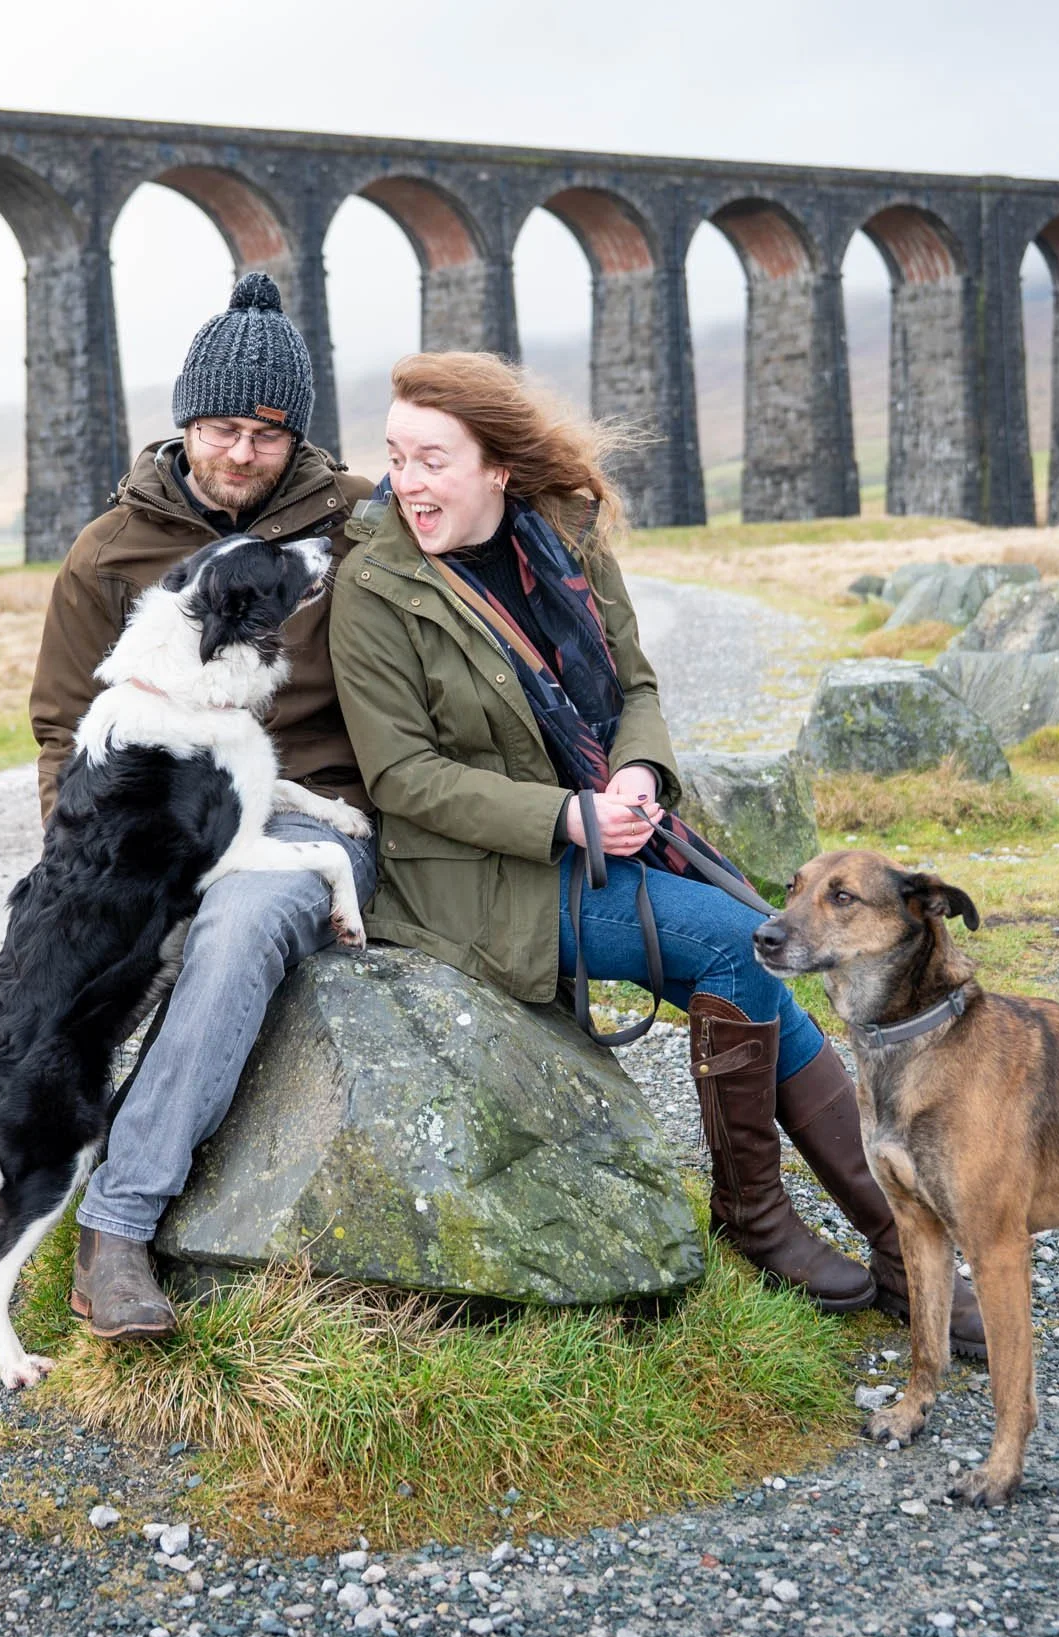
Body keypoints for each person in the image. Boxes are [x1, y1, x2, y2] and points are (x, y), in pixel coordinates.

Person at [327, 351, 983, 1349]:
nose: (406, 481)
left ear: (499, 465)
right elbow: (402, 778)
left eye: (432, 459)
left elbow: (635, 689)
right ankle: (766, 1222)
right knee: (737, 944)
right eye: (394, 457)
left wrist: (636, 777)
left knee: (748, 972)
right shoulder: (377, 585)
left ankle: (898, 1249)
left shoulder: (569, 543)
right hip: (471, 879)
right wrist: (566, 818)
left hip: (606, 831)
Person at [28, 271, 377, 1341]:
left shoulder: (361, 527)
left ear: (296, 440)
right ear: (184, 424)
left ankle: (116, 1229)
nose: (241, 453)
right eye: (222, 427)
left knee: (233, 928)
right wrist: (93, 864)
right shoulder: (108, 554)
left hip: (314, 812)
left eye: (268, 436)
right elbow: (60, 726)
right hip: (160, 821)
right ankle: (18, 1191)